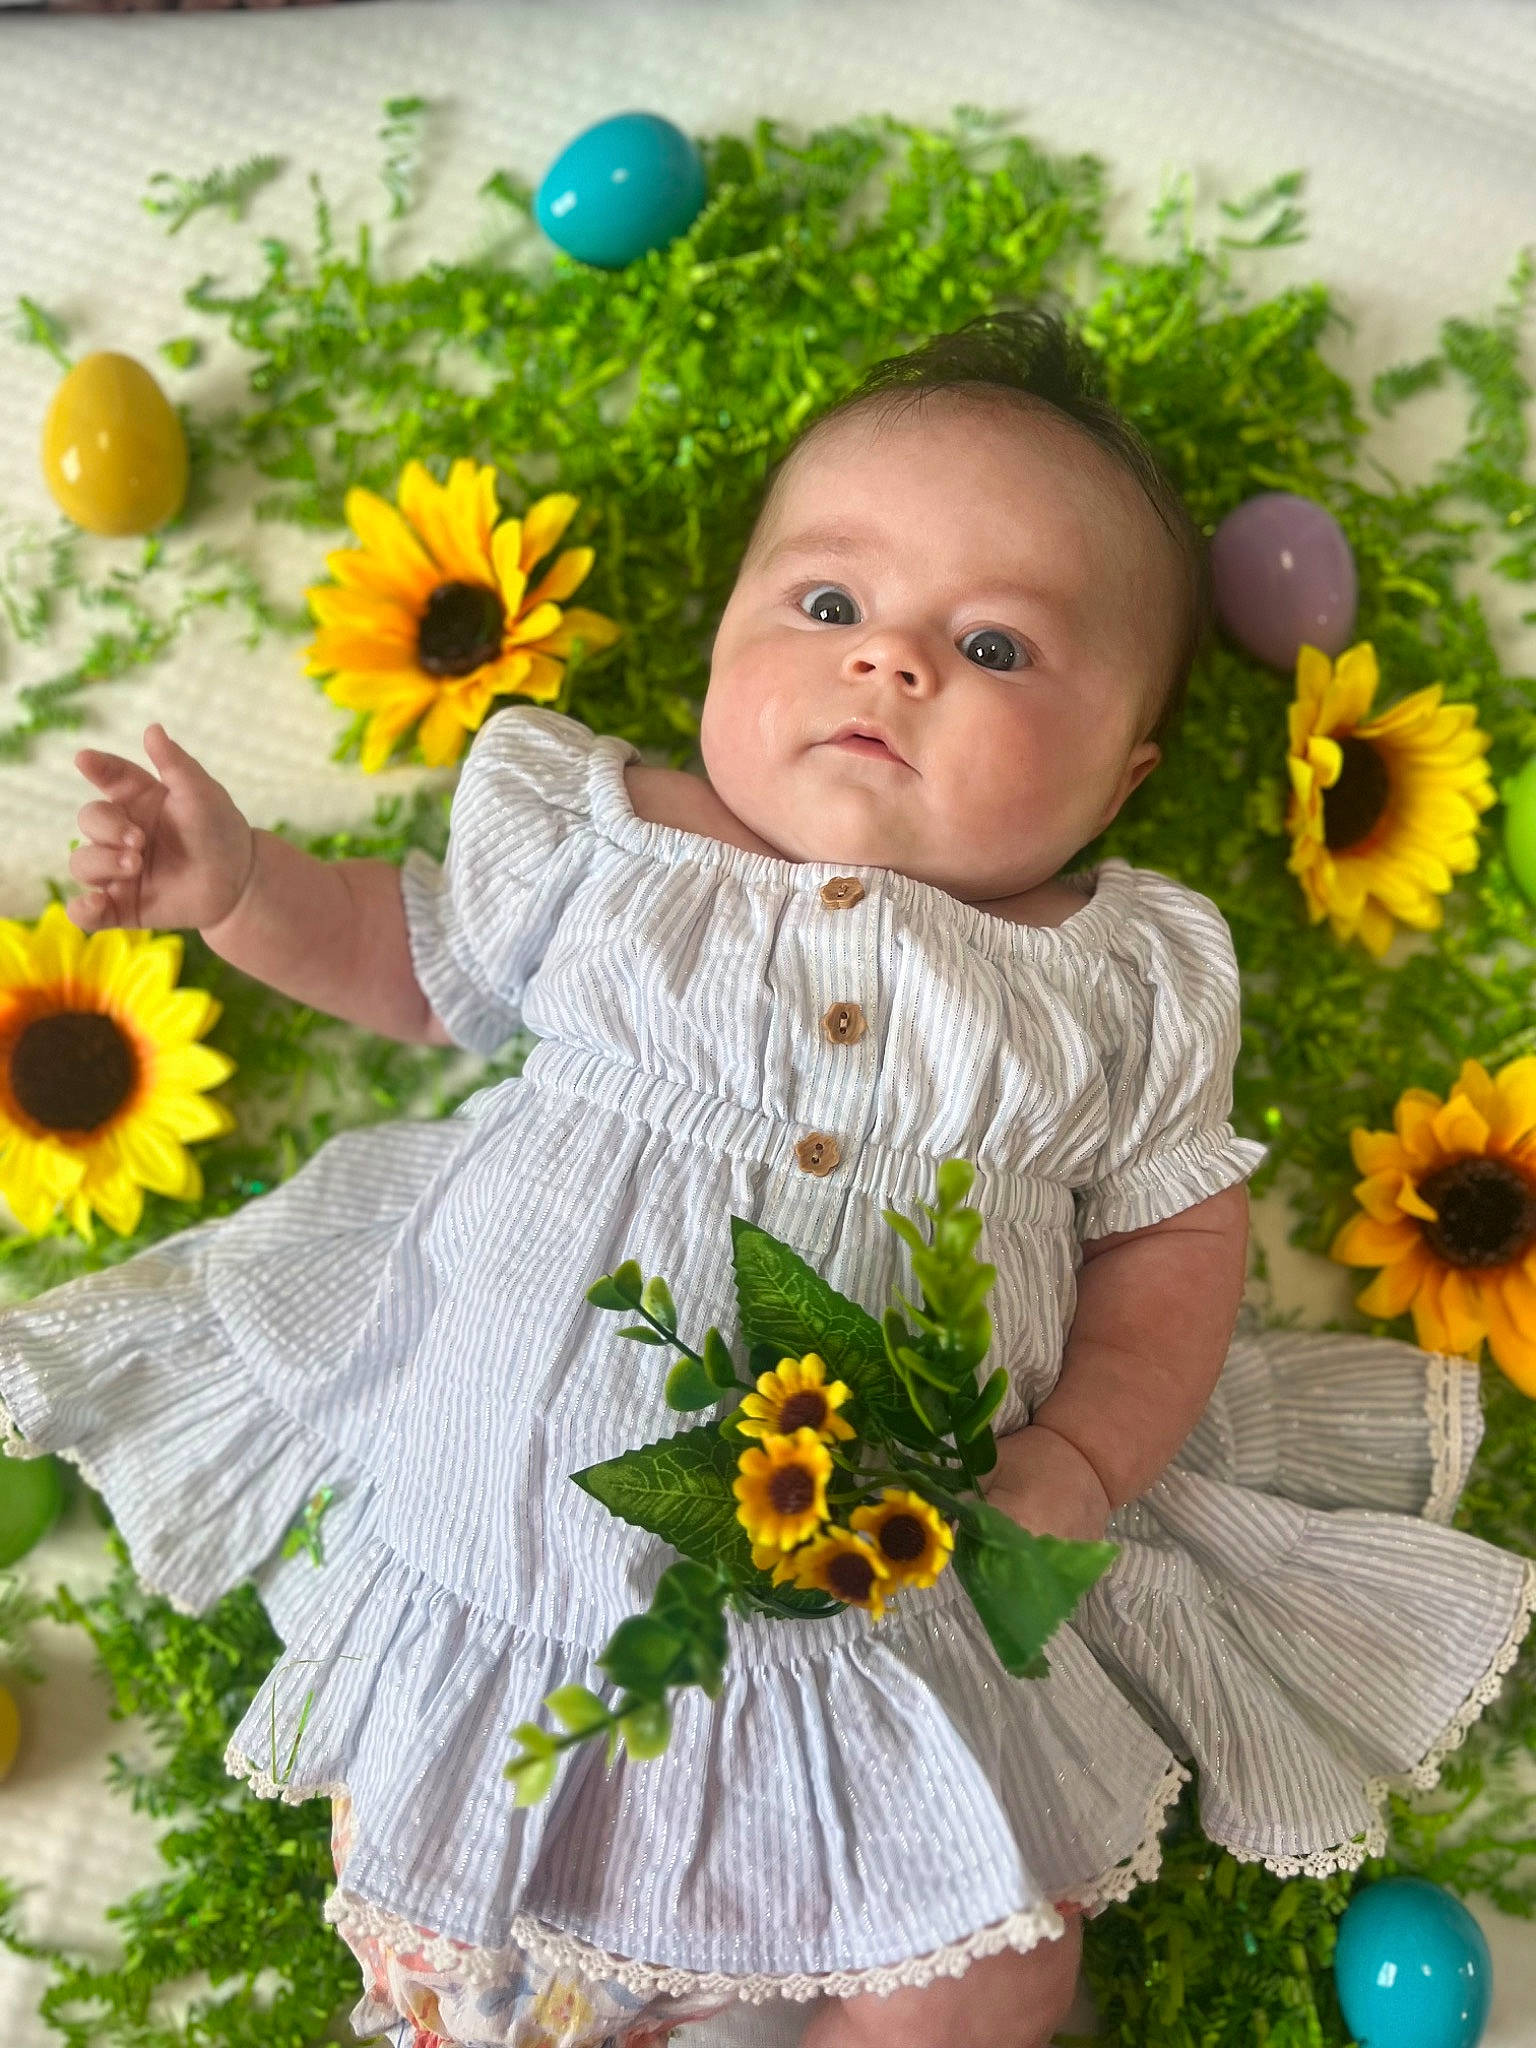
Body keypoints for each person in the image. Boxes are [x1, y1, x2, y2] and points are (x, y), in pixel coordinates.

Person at [2, 306, 1531, 2048]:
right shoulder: (607, 840)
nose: (893, 666)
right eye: (829, 608)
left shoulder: (1111, 979)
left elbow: (1176, 1233)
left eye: (999, 647)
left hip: (884, 1610)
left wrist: (1089, 1458)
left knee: (994, 1961)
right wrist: (240, 884)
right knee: (468, 1929)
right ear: (724, 636)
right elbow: (412, 957)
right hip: (519, 1562)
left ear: (1126, 776)